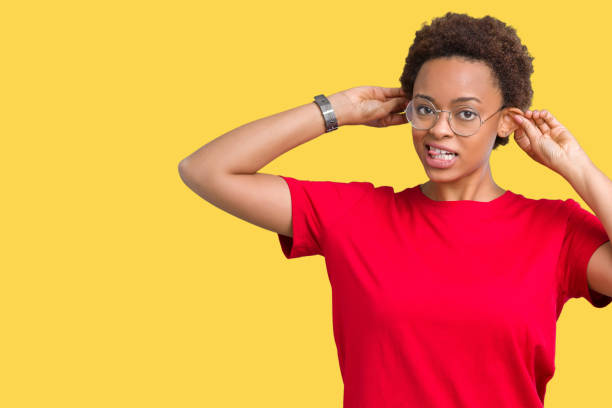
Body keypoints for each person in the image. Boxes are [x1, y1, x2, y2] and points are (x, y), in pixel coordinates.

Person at [178, 12, 612, 408]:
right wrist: (337, 110)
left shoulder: (556, 230)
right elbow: (206, 170)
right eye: (425, 109)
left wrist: (578, 168)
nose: (438, 129)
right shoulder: (353, 215)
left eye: (465, 114)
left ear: (506, 122)